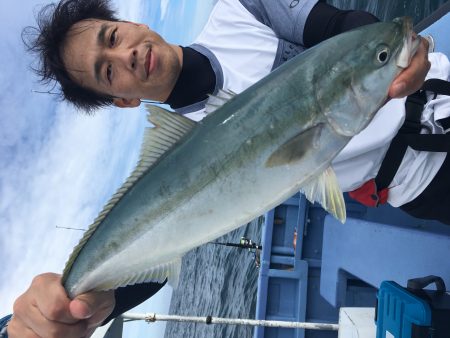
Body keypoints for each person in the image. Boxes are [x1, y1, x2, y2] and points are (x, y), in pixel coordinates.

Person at [2, 0, 444, 337]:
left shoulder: (240, 8)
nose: (126, 56)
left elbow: (341, 28)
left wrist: (398, 54)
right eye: (107, 72)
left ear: (133, 23)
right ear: (123, 100)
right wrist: (94, 301)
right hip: (417, 182)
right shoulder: (167, 171)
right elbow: (155, 257)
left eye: (112, 37)